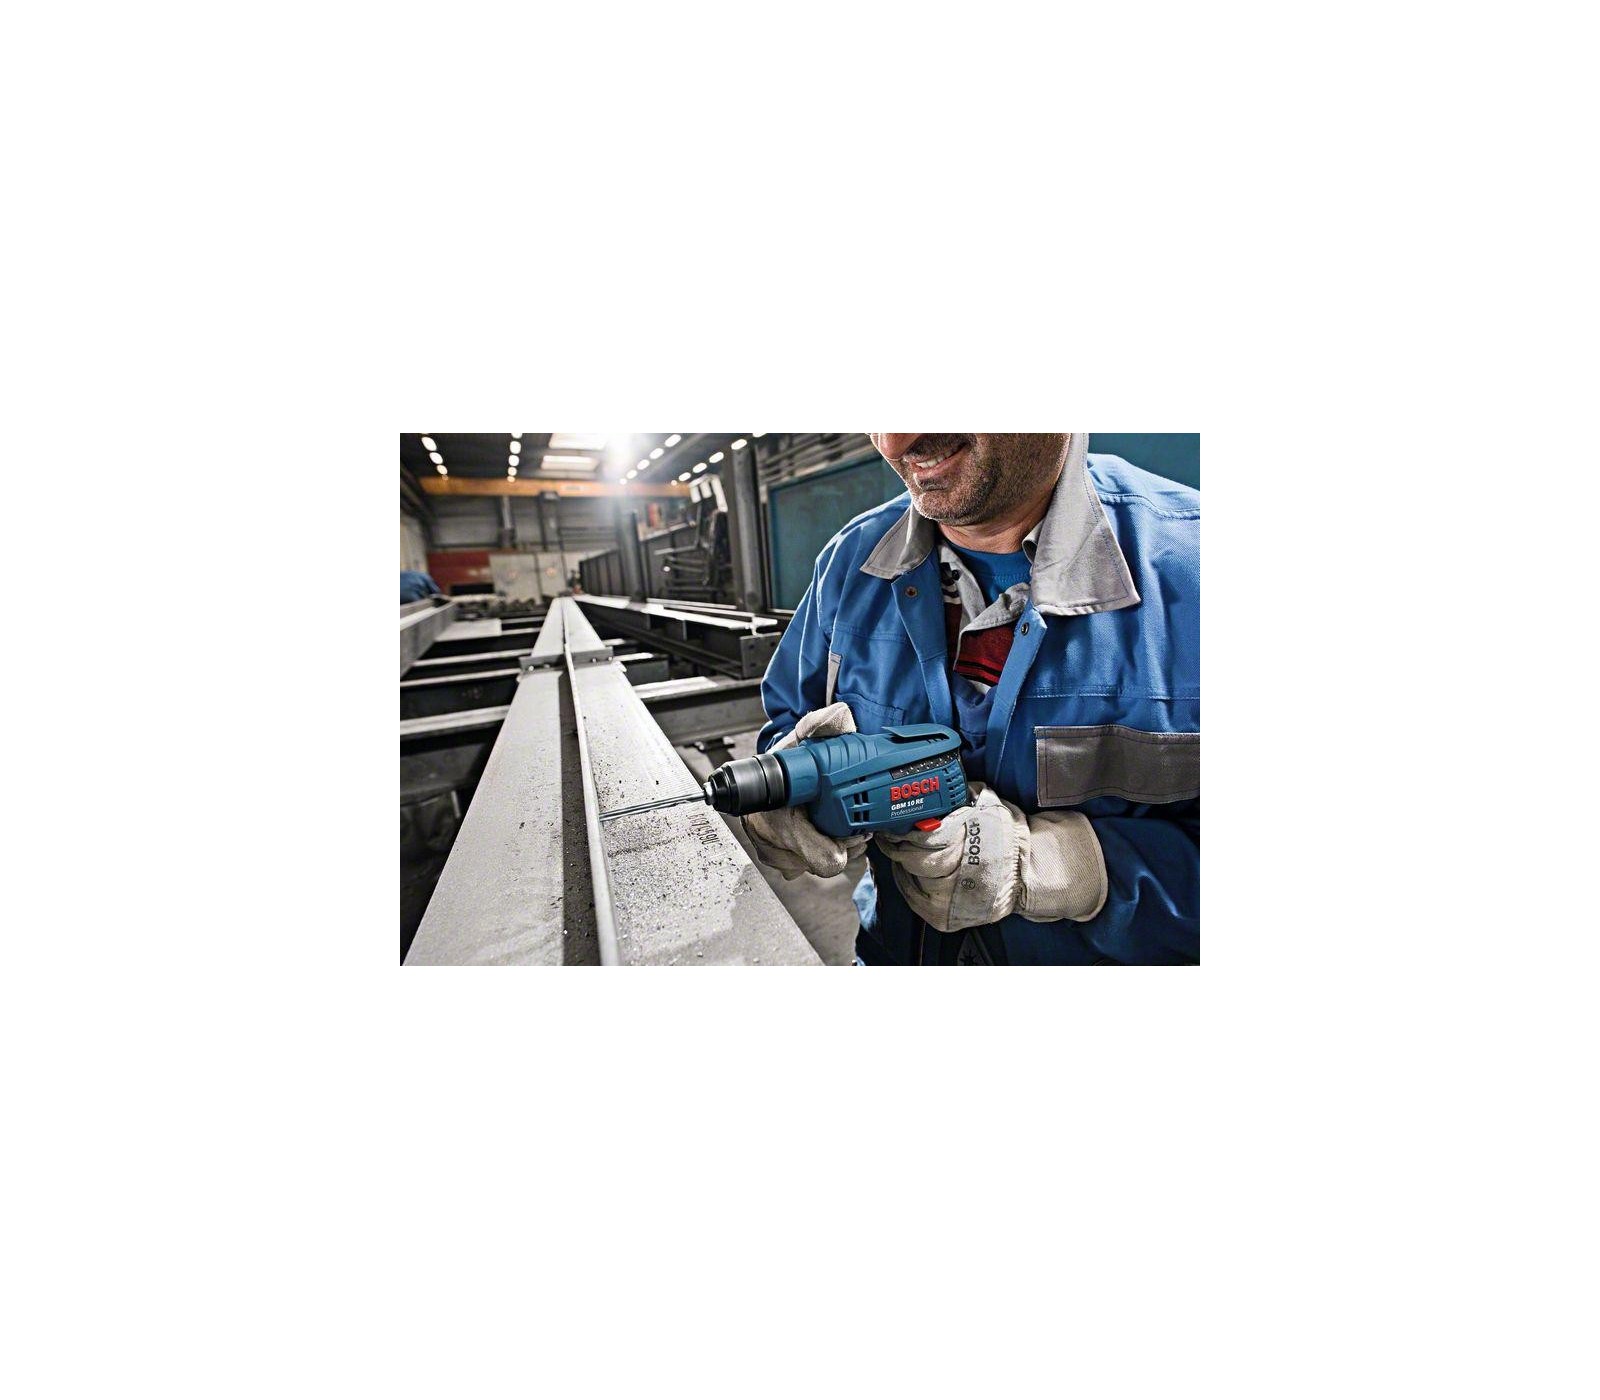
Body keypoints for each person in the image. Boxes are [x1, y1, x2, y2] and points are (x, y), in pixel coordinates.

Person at [748, 433, 1199, 965]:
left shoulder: (1196, 568)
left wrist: (1073, 870)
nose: (894, 440)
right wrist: (789, 785)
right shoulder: (850, 562)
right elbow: (789, 719)